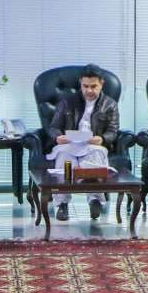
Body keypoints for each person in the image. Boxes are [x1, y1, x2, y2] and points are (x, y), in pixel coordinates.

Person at [45, 64, 120, 221]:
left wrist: (102, 138)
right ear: (80, 83)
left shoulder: (110, 104)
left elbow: (113, 131)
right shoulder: (67, 102)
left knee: (94, 157)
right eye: (85, 86)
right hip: (69, 144)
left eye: (93, 86)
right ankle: (62, 204)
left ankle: (95, 201)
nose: (89, 90)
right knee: (64, 157)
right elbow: (53, 127)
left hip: (93, 145)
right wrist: (58, 137)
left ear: (101, 84)